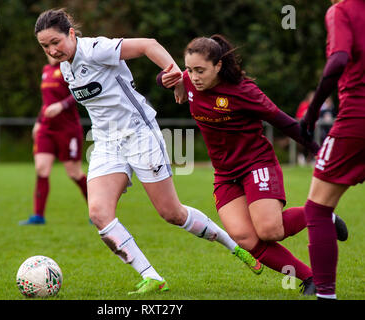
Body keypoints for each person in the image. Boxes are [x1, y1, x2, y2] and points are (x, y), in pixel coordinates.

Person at [34, 8, 263, 295]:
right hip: (106, 143)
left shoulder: (96, 49)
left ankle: (233, 245)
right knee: (98, 213)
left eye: (56, 42)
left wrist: (177, 76)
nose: (52, 50)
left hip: (139, 134)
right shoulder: (66, 67)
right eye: (45, 46)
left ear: (70, 33)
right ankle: (151, 276)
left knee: (172, 213)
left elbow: (148, 45)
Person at [158, 34, 348, 296]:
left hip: (256, 164)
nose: (194, 76)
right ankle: (309, 278)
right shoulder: (189, 82)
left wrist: (320, 151)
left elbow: (286, 123)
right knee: (245, 238)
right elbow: (167, 77)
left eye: (200, 70)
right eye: (189, 69)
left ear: (218, 66)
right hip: (225, 174)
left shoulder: (244, 91)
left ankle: (320, 214)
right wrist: (168, 80)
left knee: (270, 231)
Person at [300, 0, 364, 300]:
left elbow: (338, 59)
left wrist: (311, 113)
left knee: (317, 209)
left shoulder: (342, 10)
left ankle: (326, 296)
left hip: (357, 122)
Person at [19, 54, 88, 225]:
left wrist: (61, 105)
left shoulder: (69, 68)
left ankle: (97, 210)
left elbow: (79, 92)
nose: (50, 51)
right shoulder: (46, 70)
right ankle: (38, 216)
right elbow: (46, 102)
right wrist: (38, 122)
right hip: (46, 129)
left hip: (68, 129)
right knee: (41, 169)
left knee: (74, 173)